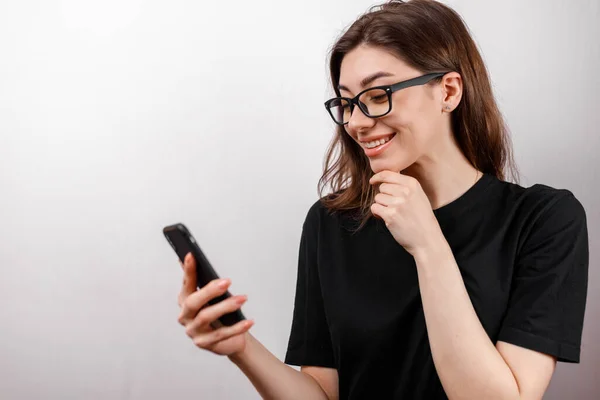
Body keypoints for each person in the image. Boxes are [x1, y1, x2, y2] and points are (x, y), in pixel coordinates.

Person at [175, 0, 589, 398]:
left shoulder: (544, 220)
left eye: (378, 95)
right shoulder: (330, 223)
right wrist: (241, 348)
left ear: (448, 91)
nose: (356, 122)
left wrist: (428, 246)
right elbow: (322, 395)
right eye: (347, 102)